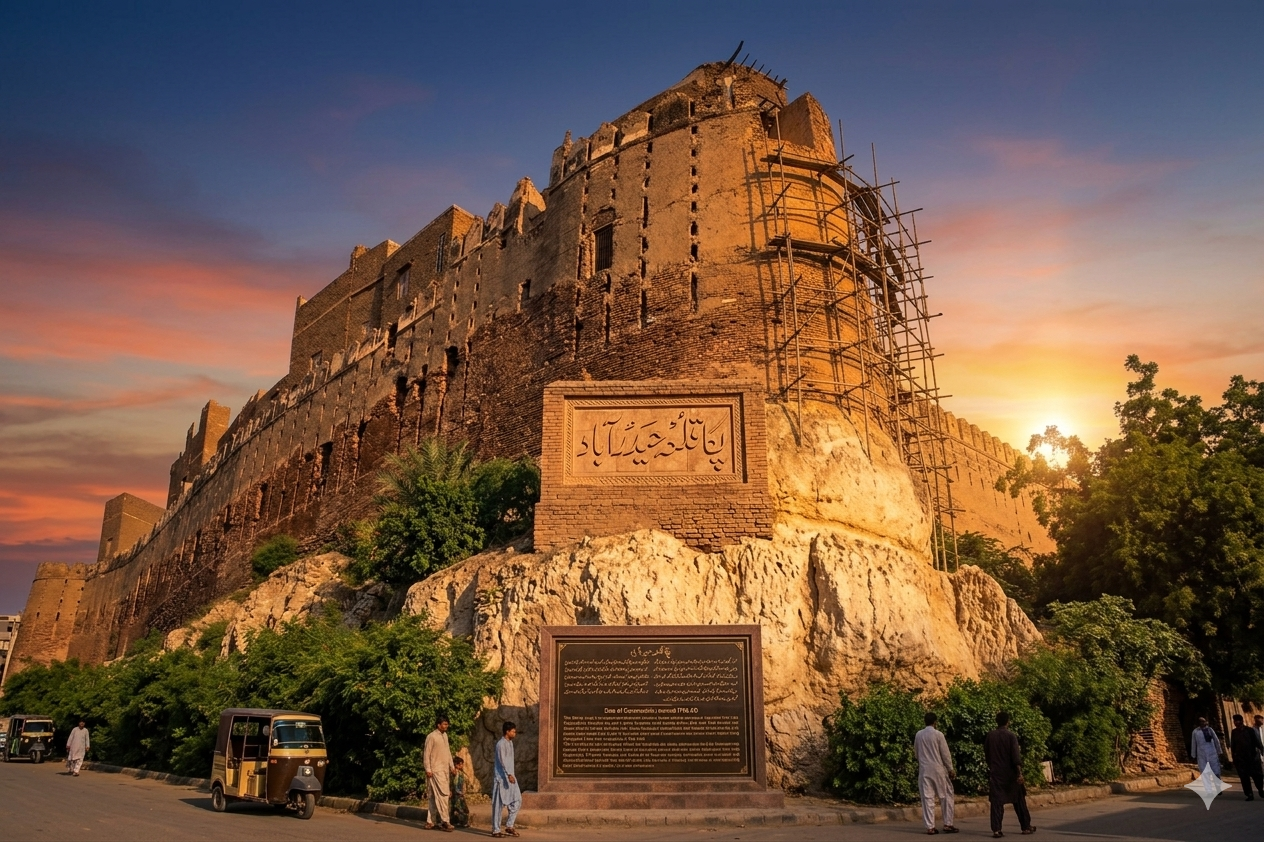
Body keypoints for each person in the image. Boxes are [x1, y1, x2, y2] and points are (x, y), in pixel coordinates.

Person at [983, 712, 1035, 837]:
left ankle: (996, 829)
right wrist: (1019, 773)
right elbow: (1016, 757)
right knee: (1019, 800)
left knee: (996, 802)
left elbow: (987, 754)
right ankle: (1025, 826)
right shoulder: (1011, 736)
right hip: (1011, 774)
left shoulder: (990, 736)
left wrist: (992, 767)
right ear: (1008, 722)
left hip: (996, 773)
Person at [914, 711, 958, 835]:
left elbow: (916, 753)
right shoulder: (939, 735)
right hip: (938, 769)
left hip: (924, 770)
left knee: (927, 798)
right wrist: (950, 769)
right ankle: (948, 823)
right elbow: (945, 754)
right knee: (946, 796)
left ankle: (930, 827)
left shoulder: (919, 735)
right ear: (935, 722)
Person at [423, 714, 455, 832]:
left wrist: (452, 766)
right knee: (443, 795)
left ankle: (430, 821)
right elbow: (426, 753)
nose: (446, 726)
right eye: (444, 724)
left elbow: (448, 752)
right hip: (435, 770)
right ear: (438, 725)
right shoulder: (431, 736)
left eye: (447, 724)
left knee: (434, 797)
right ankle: (445, 821)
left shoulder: (445, 736)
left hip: (444, 770)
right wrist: (428, 769)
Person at [492, 721, 522, 838]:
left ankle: (509, 825)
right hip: (501, 778)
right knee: (498, 806)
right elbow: (502, 760)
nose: (515, 733)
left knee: (517, 800)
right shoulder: (501, 744)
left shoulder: (510, 743)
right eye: (513, 731)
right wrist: (508, 774)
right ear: (507, 731)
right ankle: (496, 830)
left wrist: (511, 775)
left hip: (511, 777)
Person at [1229, 713, 1264, 801]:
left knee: (1257, 776)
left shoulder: (1249, 730)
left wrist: (1262, 750)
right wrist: (1234, 757)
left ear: (1241, 721)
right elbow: (1233, 745)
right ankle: (1249, 794)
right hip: (1241, 759)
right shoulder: (1234, 732)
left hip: (1252, 757)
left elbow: (1257, 742)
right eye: (1235, 721)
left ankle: (1260, 789)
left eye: (1237, 721)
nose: (1236, 723)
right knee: (1244, 777)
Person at [450, 755, 470, 828]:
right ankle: (462, 822)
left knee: (459, 808)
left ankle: (459, 821)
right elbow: (452, 783)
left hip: (459, 793)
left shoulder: (460, 773)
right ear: (456, 765)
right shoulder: (455, 772)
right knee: (460, 808)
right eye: (460, 764)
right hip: (457, 793)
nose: (462, 766)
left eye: (462, 764)